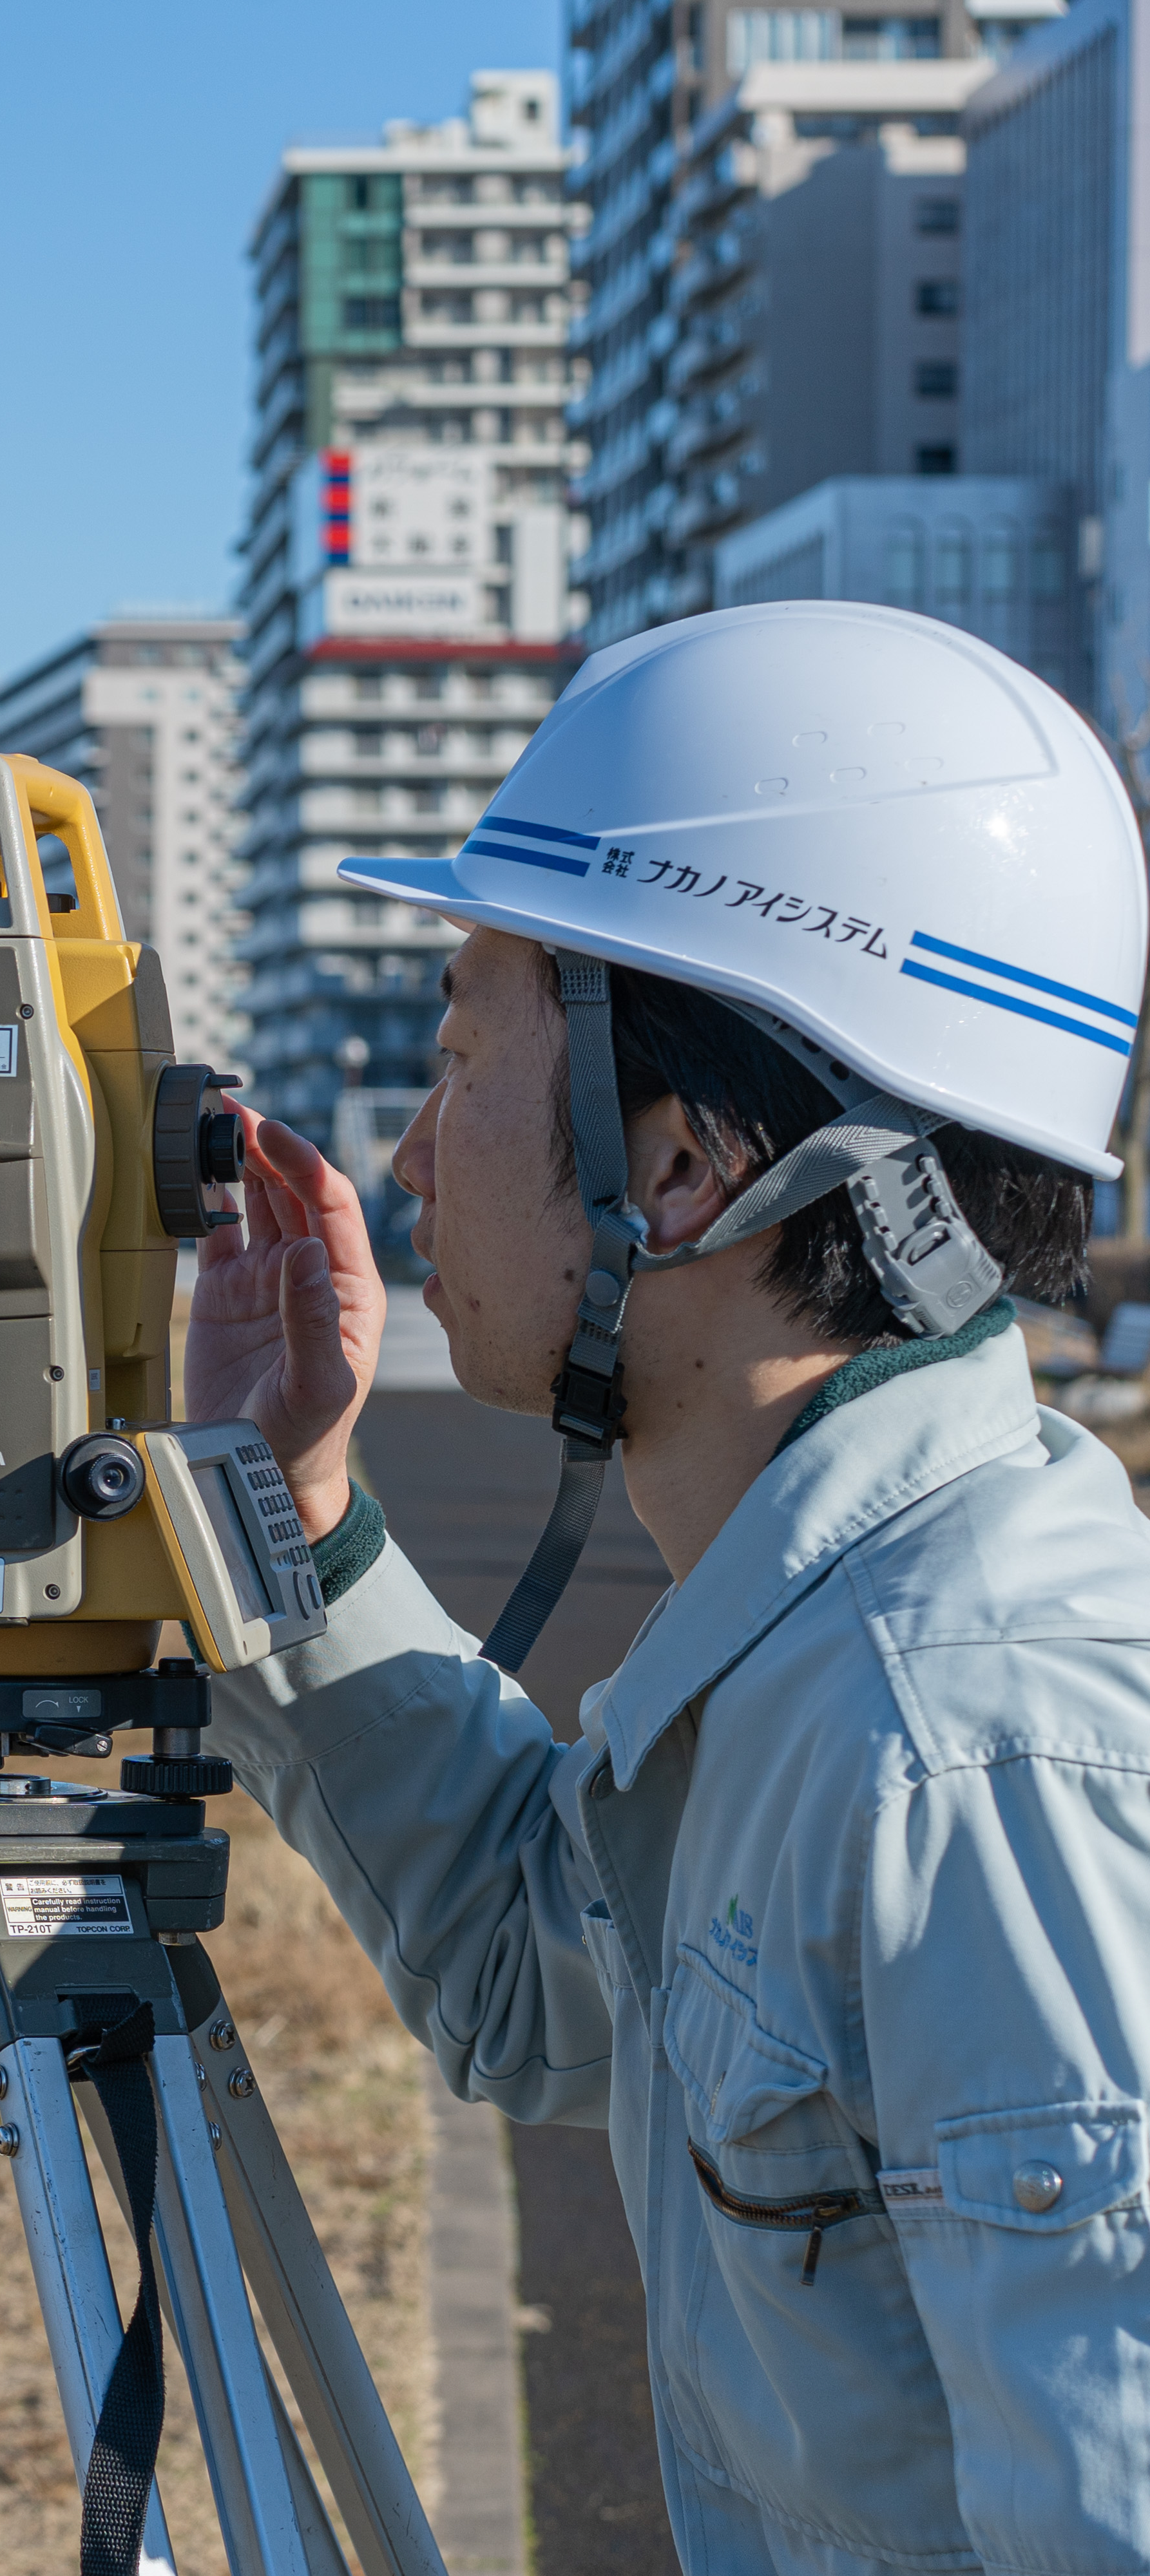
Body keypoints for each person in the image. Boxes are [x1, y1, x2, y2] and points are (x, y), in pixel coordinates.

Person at [185, 599, 1150, 2571]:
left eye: (463, 1056)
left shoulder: (977, 1755)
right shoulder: (813, 1661)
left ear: (686, 1168)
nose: (404, 1150)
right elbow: (535, 1974)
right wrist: (289, 1504)